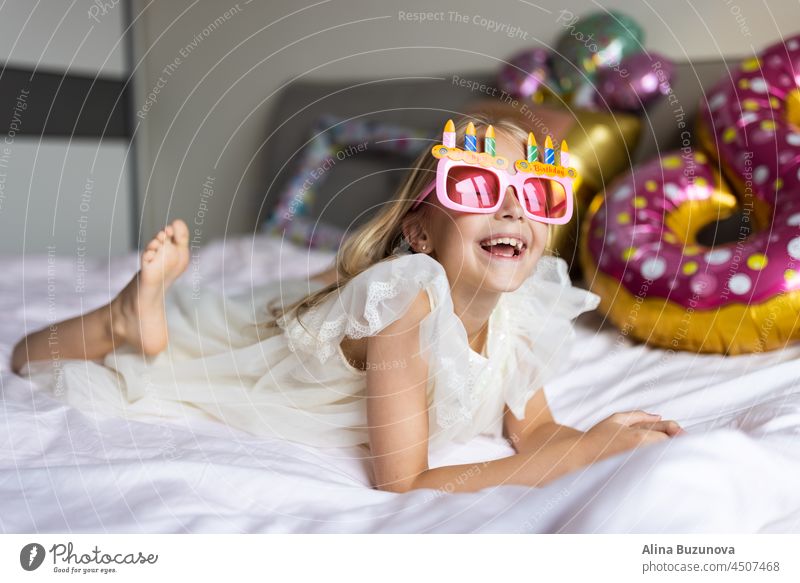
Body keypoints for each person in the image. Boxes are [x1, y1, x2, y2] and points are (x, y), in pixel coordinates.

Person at [11, 114, 685, 494]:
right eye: (478, 186)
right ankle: (123, 315)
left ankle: (139, 317)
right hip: (244, 347)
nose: (513, 206)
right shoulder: (408, 301)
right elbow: (405, 480)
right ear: (420, 233)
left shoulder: (521, 313)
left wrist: (613, 446)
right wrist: (579, 454)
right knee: (33, 355)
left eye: (535, 195)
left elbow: (535, 434)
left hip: (290, 315)